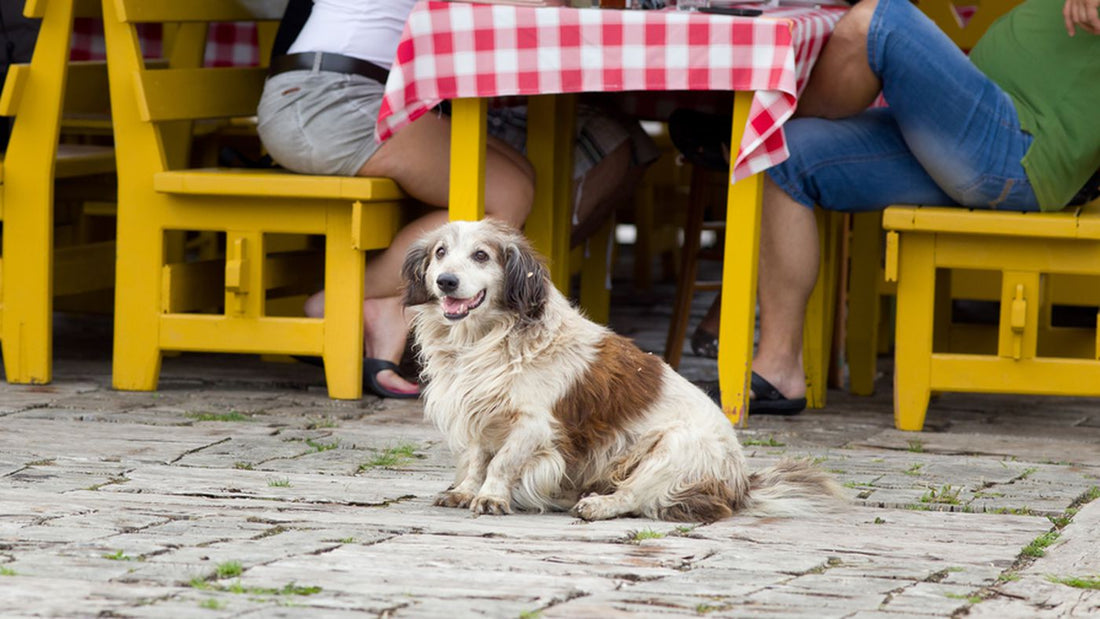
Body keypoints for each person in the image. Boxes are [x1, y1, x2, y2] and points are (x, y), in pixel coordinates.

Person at [696, 0, 1100, 413]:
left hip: (1016, 149)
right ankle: (779, 370)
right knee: (778, 155)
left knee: (879, 21)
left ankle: (754, 123)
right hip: (973, 138)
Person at [256, 0, 654, 398]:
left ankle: (392, 308)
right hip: (326, 101)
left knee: (521, 178)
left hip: (350, 93)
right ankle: (349, 303)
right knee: (506, 194)